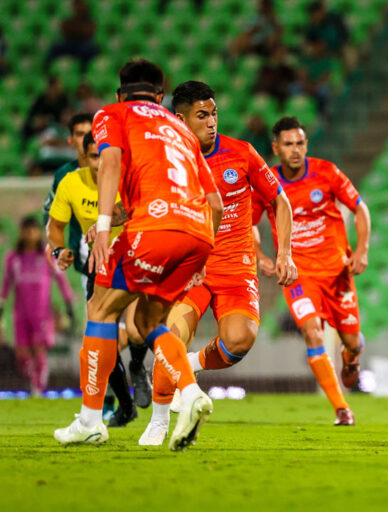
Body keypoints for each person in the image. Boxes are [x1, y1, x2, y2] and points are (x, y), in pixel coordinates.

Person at [53, 59, 223, 451]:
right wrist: (201, 257)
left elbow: (109, 160)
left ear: (120, 94)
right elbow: (214, 203)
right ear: (160, 97)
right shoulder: (180, 128)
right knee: (148, 320)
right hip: (197, 235)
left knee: (100, 308)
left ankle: (90, 421)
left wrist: (101, 226)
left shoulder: (112, 114)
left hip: (154, 227)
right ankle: (193, 392)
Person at [138, 81, 296, 446]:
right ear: (180, 119)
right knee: (172, 336)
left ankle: (190, 366)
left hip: (235, 268)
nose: (212, 122)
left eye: (214, 113)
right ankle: (159, 420)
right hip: (190, 268)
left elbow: (280, 201)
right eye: (202, 115)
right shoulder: (167, 161)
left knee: (238, 342)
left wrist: (284, 252)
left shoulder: (241, 153)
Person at [253, 117, 371, 426]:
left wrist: (361, 250)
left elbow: (360, 208)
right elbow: (247, 222)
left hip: (337, 273)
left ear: (306, 144)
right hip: (297, 274)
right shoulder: (267, 183)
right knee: (311, 330)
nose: (296, 150)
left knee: (352, 341)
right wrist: (259, 256)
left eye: (300, 143)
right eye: (288, 144)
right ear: (276, 148)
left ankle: (351, 357)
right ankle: (342, 408)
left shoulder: (326, 172)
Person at [47, 133, 142, 427]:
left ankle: (138, 367)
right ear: (83, 157)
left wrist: (107, 223)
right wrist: (58, 250)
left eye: (104, 156)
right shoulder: (70, 183)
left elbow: (141, 210)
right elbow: (55, 226)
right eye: (93, 157)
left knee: (140, 332)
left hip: (137, 259)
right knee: (104, 341)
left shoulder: (128, 178)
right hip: (99, 268)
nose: (100, 164)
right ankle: (125, 407)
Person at [0, 216, 75, 396]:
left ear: (39, 232)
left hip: (42, 313)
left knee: (39, 349)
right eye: (27, 230)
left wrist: (68, 304)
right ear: (22, 232)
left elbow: (61, 280)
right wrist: (2, 307)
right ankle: (32, 381)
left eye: (33, 230)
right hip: (20, 313)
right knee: (22, 354)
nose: (30, 234)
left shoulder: (48, 256)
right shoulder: (13, 258)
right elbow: (6, 285)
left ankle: (38, 388)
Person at [45, 0, 100, 72]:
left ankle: (84, 73)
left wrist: (75, 29)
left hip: (82, 44)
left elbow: (89, 32)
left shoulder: (88, 18)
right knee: (55, 47)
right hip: (68, 43)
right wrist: (78, 29)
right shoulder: (68, 16)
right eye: (75, 5)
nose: (77, 7)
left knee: (91, 49)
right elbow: (64, 29)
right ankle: (49, 72)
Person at [22, 77, 70, 149]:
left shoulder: (63, 100)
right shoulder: (40, 100)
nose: (56, 91)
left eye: (58, 88)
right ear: (49, 87)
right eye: (54, 88)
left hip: (57, 129)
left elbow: (66, 117)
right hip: (41, 131)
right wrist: (38, 121)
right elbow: (31, 119)